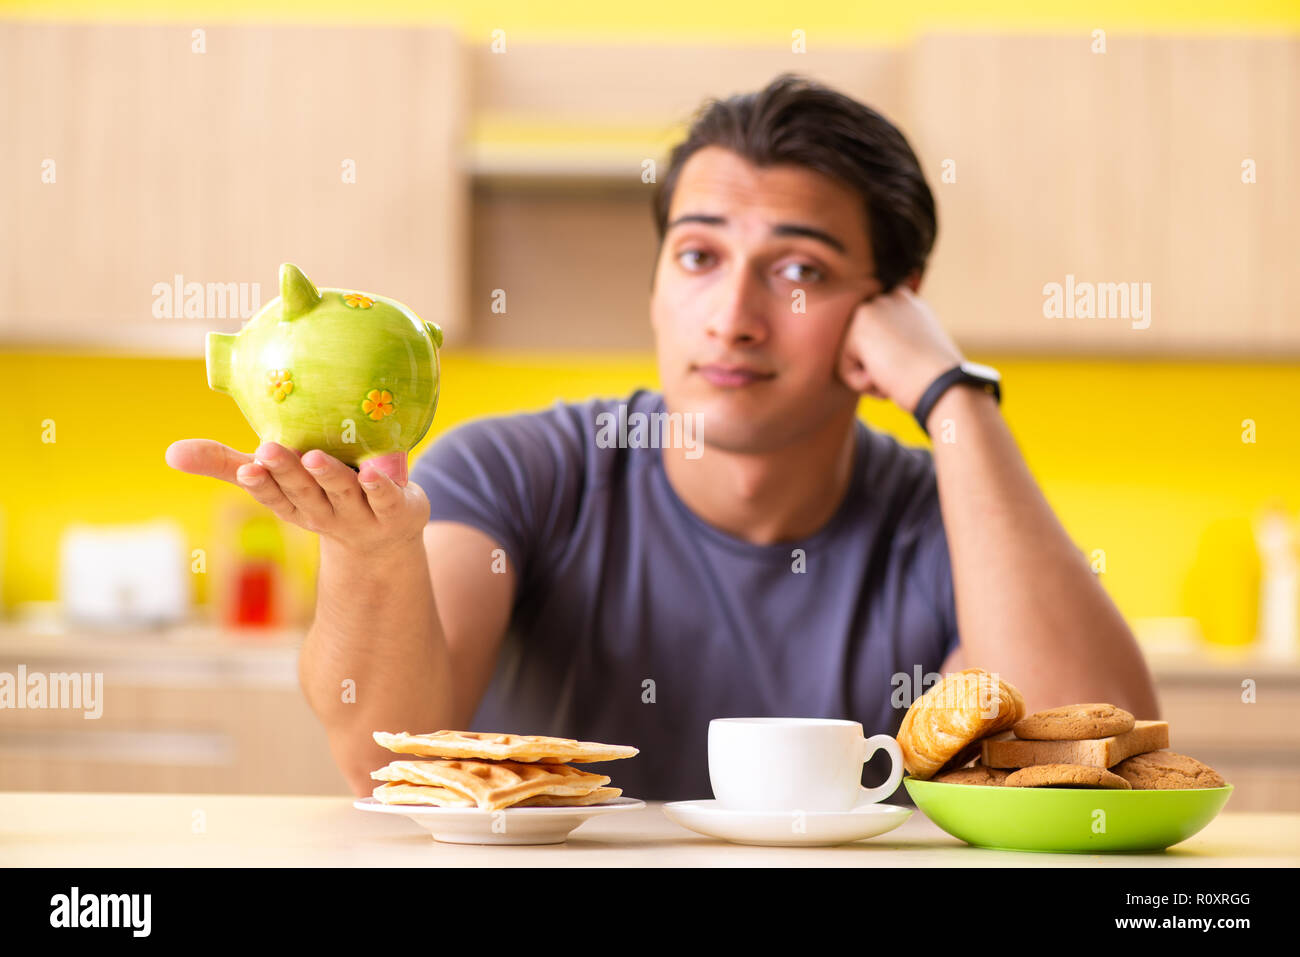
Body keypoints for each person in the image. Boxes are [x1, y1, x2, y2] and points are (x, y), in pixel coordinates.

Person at [167, 73, 1158, 802]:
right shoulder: (520, 472)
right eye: (697, 255)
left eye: (799, 270)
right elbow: (380, 757)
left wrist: (951, 395)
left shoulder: (949, 514)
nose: (731, 316)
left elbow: (1092, 766)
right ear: (655, 284)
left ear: (890, 308)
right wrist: (372, 556)